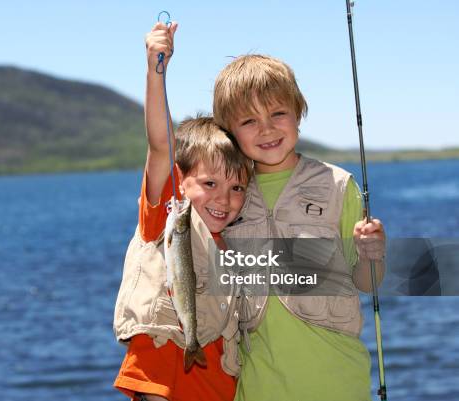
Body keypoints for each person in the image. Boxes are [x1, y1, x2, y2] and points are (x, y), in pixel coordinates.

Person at [212, 54, 387, 401]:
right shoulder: (228, 195)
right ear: (230, 132)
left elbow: (367, 282)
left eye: (278, 113)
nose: (267, 129)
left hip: (338, 383)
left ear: (298, 113)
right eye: (249, 120)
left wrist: (373, 255)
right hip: (257, 388)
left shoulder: (338, 186)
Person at [113, 22, 253, 401]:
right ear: (180, 180)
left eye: (236, 187)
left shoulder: (237, 247)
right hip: (159, 387)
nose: (223, 199)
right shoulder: (165, 219)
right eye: (210, 184)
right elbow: (160, 145)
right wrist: (156, 69)